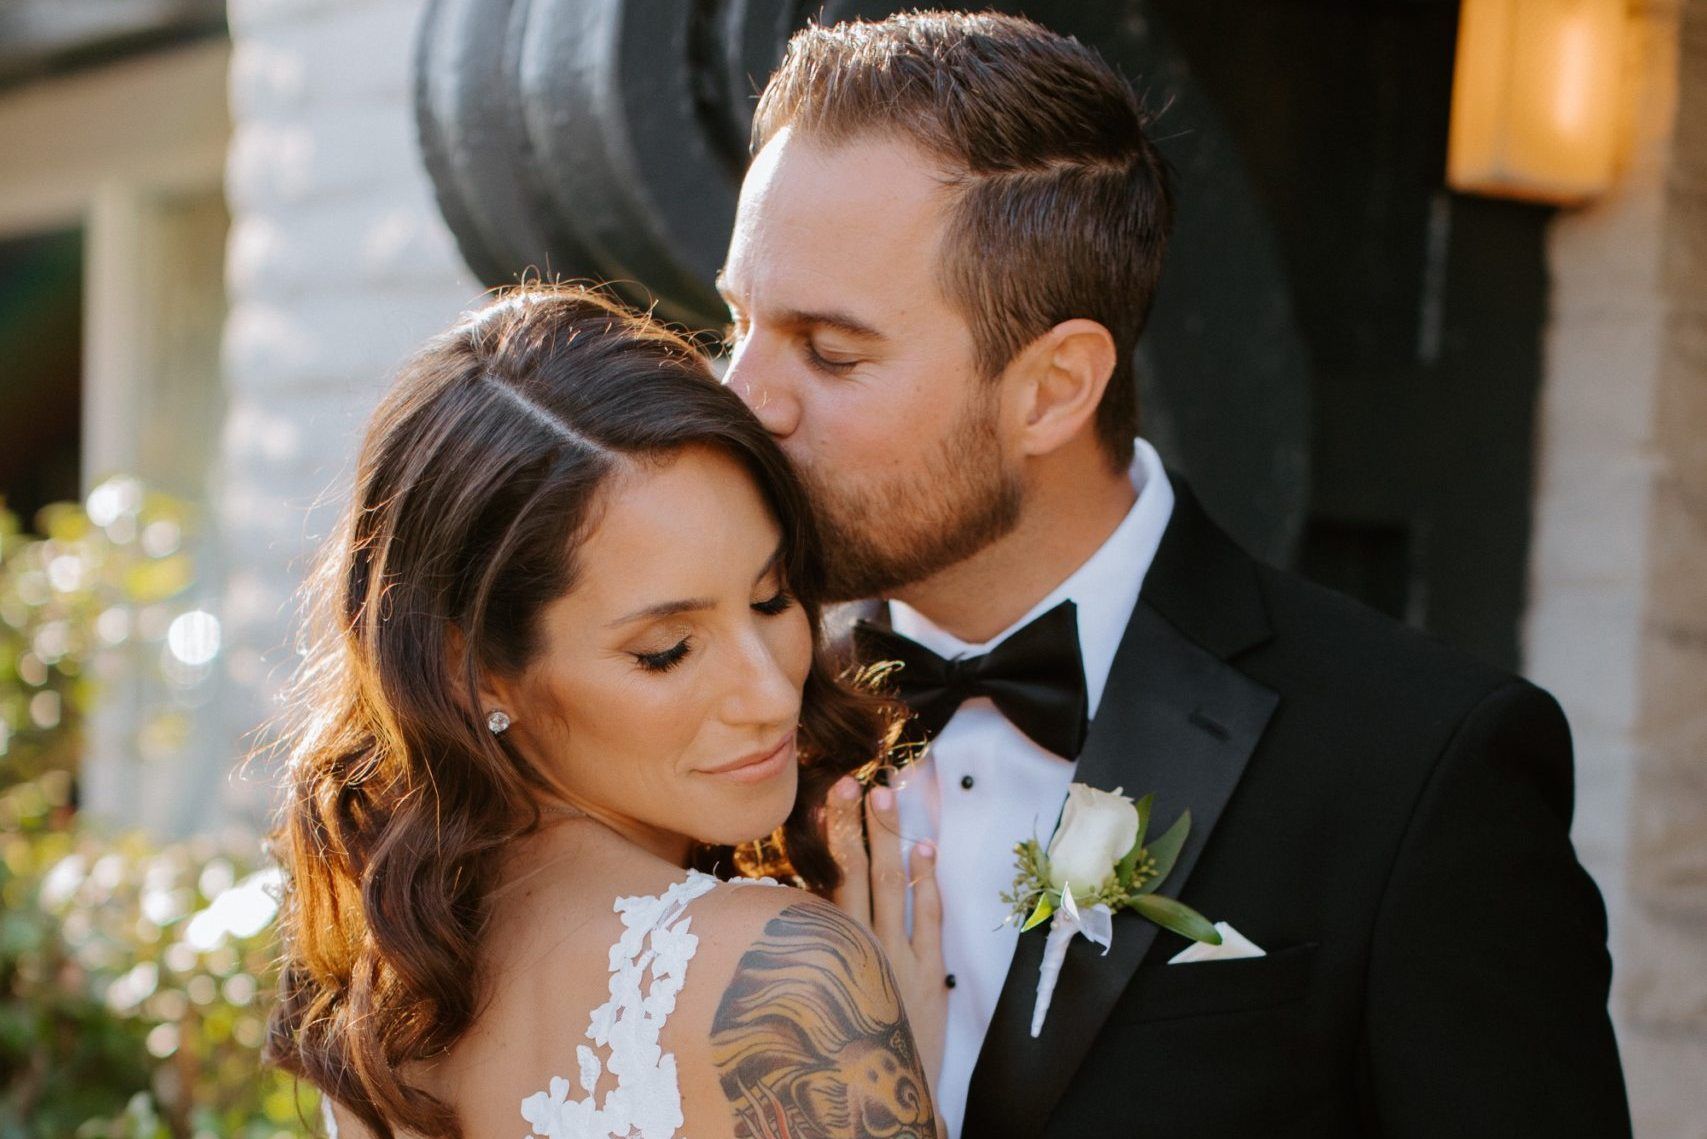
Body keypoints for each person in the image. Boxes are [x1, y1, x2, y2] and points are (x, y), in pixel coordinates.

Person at [719, 11, 1633, 1137]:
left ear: (1055, 388)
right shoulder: (715, 717)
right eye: (738, 320)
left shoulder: (1419, 768)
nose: (742, 397)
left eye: (831, 350)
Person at [264, 285, 944, 1139]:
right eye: (665, 649)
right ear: (472, 670)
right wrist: (894, 1057)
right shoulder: (785, 974)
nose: (772, 691)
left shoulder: (380, 1003)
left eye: (772, 600)